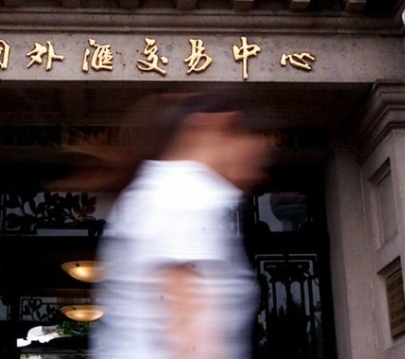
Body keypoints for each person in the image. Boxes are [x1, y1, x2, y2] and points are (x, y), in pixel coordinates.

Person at [92, 90, 272, 359]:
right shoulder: (185, 198)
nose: (259, 170)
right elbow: (191, 342)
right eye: (255, 143)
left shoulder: (163, 192)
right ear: (220, 124)